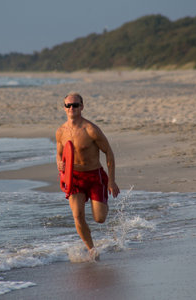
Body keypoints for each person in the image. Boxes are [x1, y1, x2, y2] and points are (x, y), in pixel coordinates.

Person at [56, 92, 120, 260]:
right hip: (74, 177)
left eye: (75, 105)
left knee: (99, 218)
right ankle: (92, 250)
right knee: (77, 215)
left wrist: (111, 181)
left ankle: (102, 204)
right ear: (64, 108)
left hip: (94, 177)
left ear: (82, 107)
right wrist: (59, 163)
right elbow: (59, 154)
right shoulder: (60, 131)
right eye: (68, 105)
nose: (72, 108)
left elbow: (109, 153)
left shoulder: (91, 130)